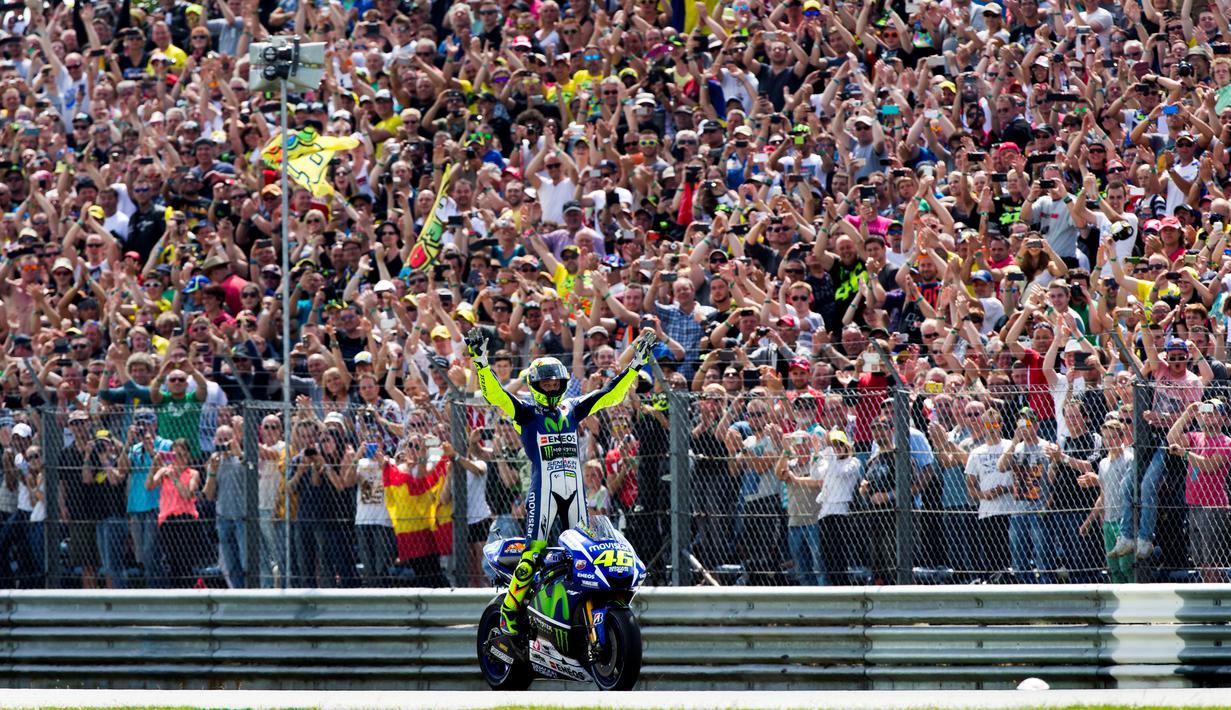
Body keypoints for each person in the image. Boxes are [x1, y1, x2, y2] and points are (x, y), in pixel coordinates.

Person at [465, 325, 657, 643]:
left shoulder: (573, 408)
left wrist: (636, 363)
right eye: (546, 382)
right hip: (543, 492)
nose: (552, 386)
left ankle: (573, 616)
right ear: (535, 384)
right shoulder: (525, 412)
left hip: (575, 491)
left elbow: (611, 393)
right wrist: (480, 361)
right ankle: (510, 618)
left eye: (556, 381)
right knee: (533, 555)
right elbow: (495, 395)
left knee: (583, 554)